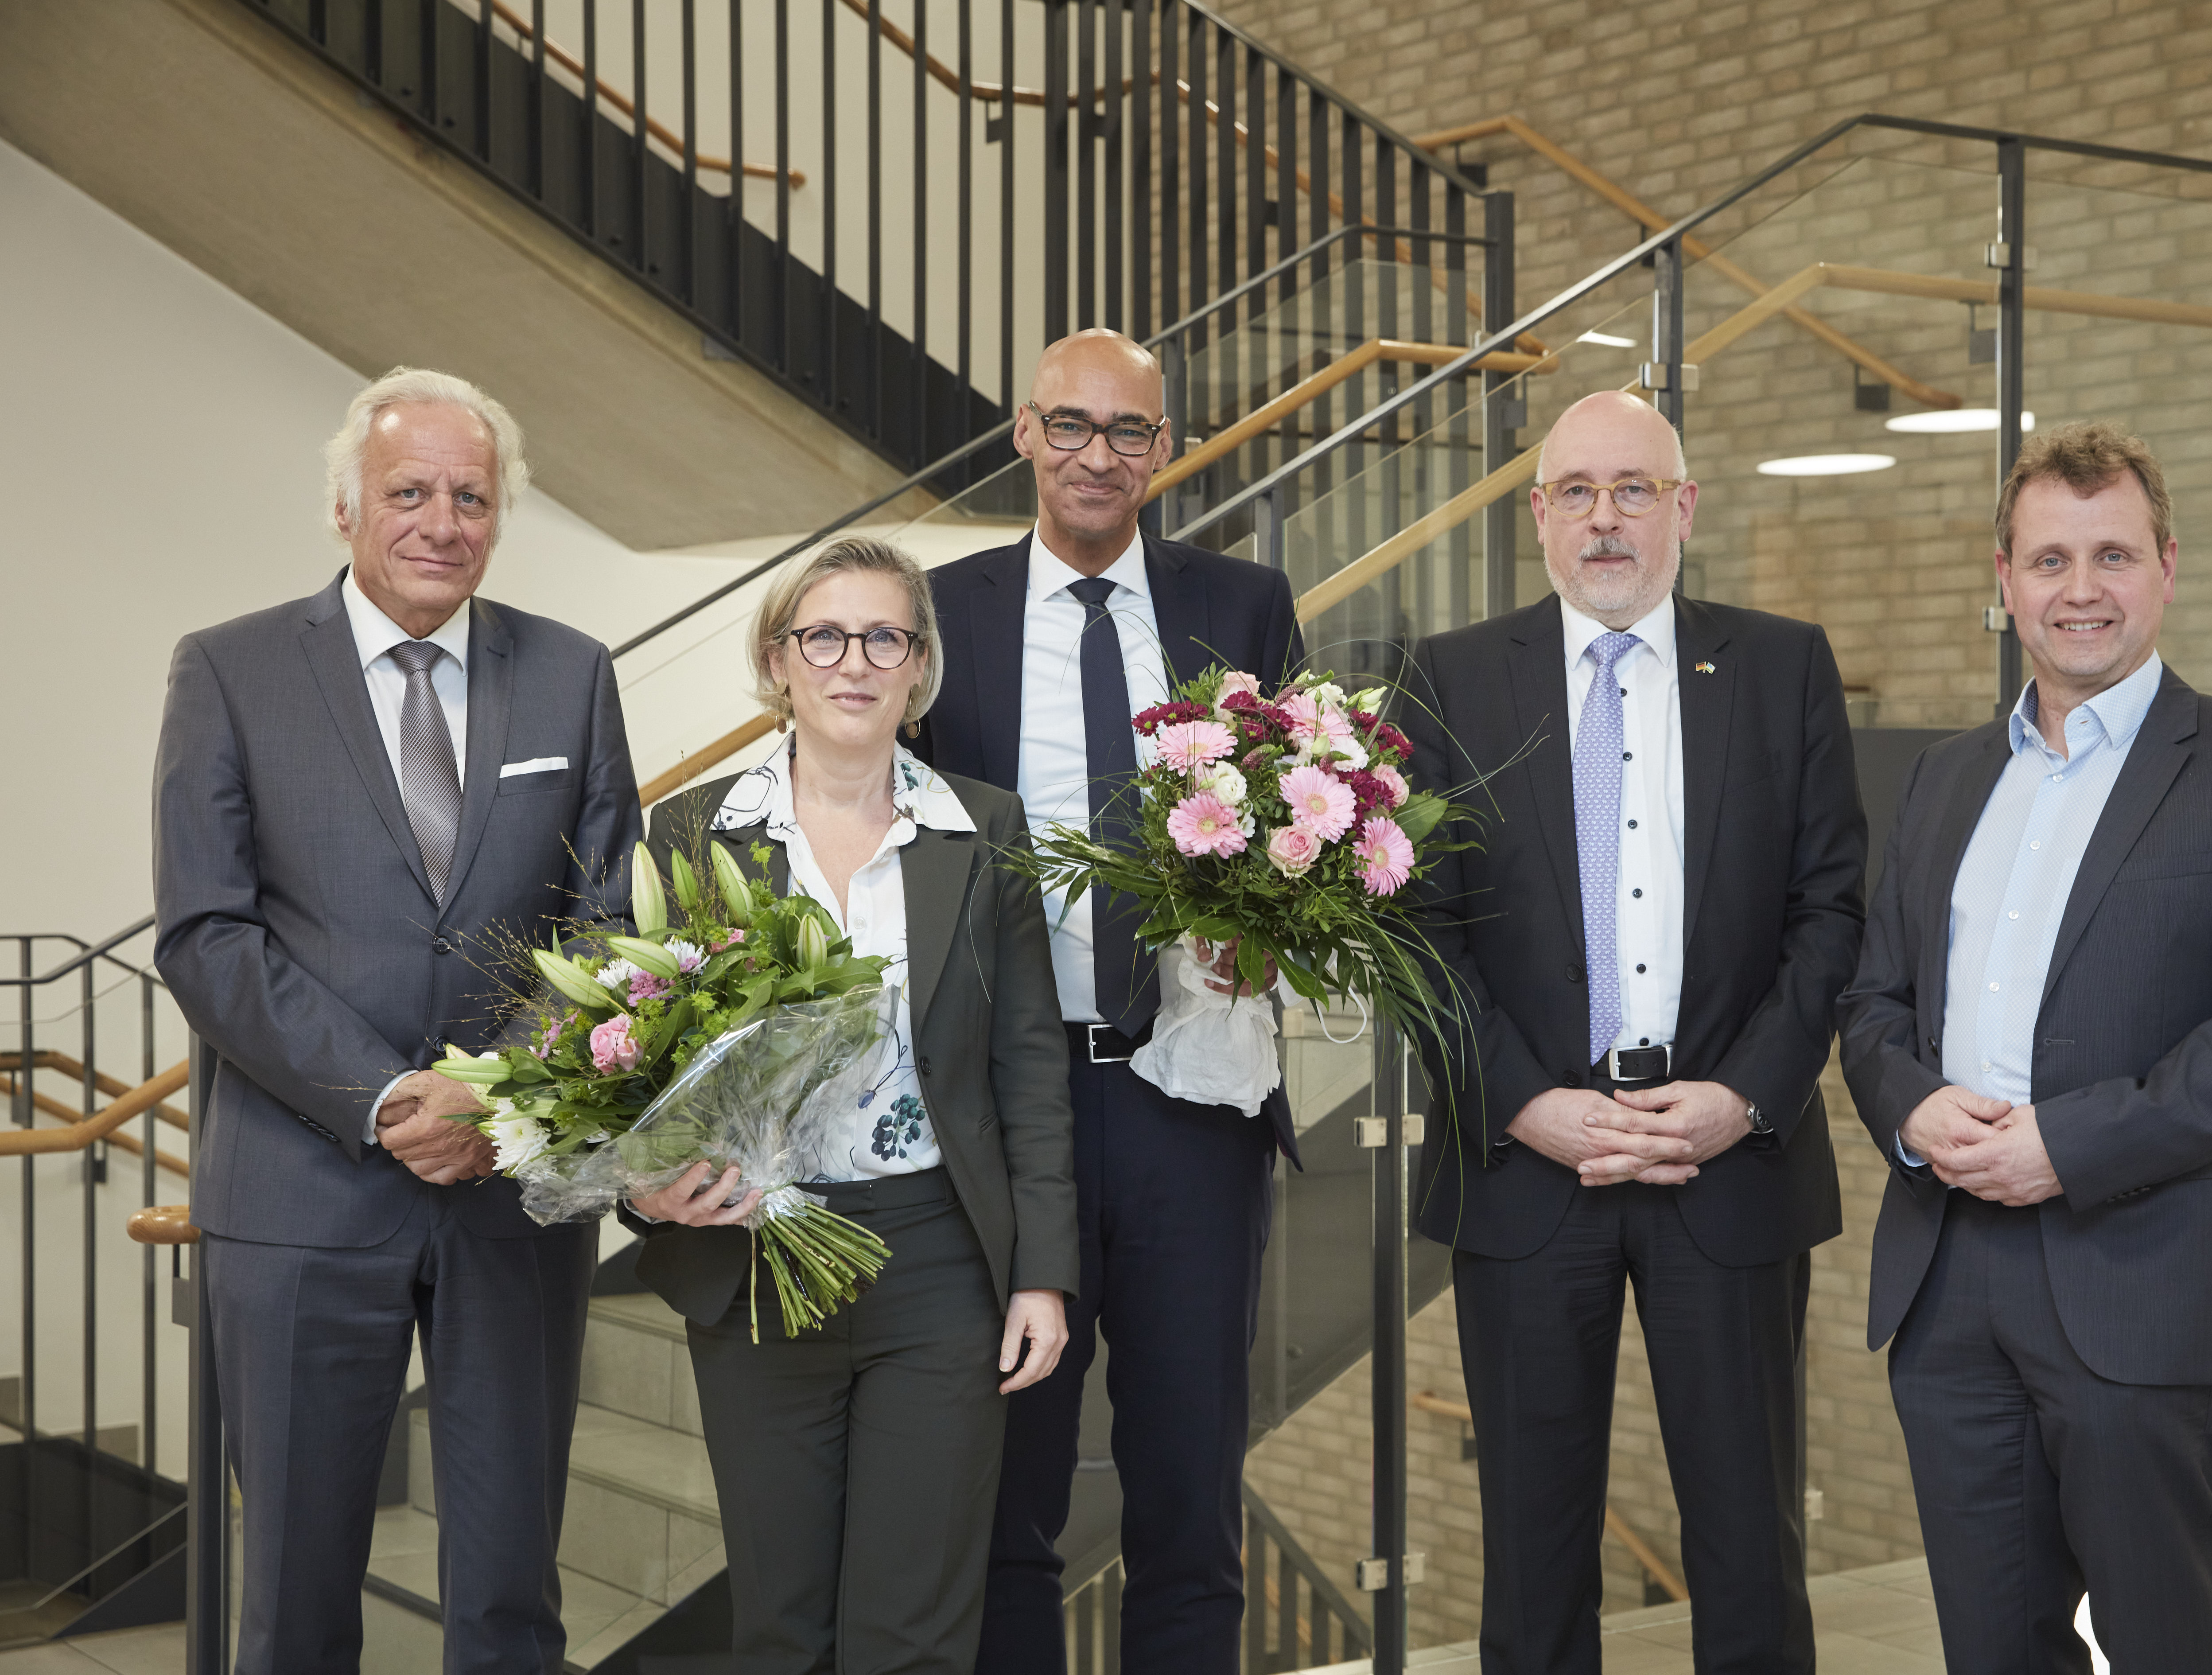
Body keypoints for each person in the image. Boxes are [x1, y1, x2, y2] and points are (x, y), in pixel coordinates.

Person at [1837, 421, 2212, 1674]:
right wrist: (1909, 1109)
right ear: (2001, 577)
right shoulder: (1942, 777)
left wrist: (2066, 1144)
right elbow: (1871, 1002)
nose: (2080, 590)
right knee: (1990, 1647)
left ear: (2165, 567)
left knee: (2163, 1642)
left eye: (2111, 555)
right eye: (2049, 558)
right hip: (1948, 1279)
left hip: (2148, 1274)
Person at [152, 366, 639, 1671]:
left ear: (499, 514)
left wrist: (505, 1092)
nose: (440, 520)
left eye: (469, 495)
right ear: (345, 508)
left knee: (506, 1594)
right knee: (297, 1600)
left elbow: (602, 930)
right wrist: (384, 1099)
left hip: (510, 1194)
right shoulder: (231, 670)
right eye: (408, 491)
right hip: (303, 1200)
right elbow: (209, 933)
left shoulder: (573, 676)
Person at [1392, 390, 1866, 1673]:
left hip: (1729, 1160)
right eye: (1577, 492)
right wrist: (1521, 1102)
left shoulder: (1781, 665)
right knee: (1533, 1560)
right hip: (1527, 1166)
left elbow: (1832, 910)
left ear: (1683, 507)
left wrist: (1745, 1096)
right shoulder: (1446, 675)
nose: (1605, 519)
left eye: (1633, 489)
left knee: (1748, 1551)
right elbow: (1411, 928)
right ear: (1536, 513)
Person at [914, 329, 1304, 1672]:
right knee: (1008, 1494)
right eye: (1068, 426)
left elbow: (1312, 824)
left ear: (1165, 447)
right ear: (1022, 434)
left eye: (1127, 431)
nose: (1096, 455)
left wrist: (1276, 938)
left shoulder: (1244, 607)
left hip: (1187, 1100)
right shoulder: (941, 614)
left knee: (1188, 1489)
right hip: (1004, 1112)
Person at [628, 535, 1077, 1674]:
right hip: (758, 1257)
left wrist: (1043, 1275)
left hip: (939, 1265)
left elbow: (1028, 1067)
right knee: (782, 1624)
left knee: (916, 1631)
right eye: (823, 635)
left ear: (919, 666)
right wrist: (646, 1182)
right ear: (778, 659)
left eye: (886, 637)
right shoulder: (691, 833)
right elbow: (633, 1054)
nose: (854, 662)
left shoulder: (983, 831)